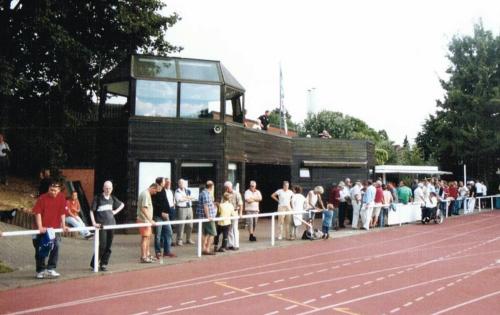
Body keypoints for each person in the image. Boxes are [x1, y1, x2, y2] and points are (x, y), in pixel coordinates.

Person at [32, 182, 69, 279]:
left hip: (54, 229)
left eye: (55, 190)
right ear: (48, 188)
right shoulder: (42, 198)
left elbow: (62, 212)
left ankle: (51, 268)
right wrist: (40, 227)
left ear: (59, 190)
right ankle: (40, 270)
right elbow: (38, 213)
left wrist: (64, 225)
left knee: (56, 246)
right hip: (42, 229)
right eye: (51, 190)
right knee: (40, 249)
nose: (52, 192)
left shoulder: (61, 198)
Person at [90, 181, 124, 271]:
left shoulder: (112, 198)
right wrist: (94, 222)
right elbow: (91, 211)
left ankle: (104, 264)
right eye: (106, 188)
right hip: (102, 225)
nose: (108, 190)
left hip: (112, 225)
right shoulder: (98, 198)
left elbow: (122, 205)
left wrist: (114, 212)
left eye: (110, 188)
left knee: (108, 246)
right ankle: (94, 263)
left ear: (112, 189)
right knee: (102, 245)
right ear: (103, 188)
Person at [152, 177, 175, 259]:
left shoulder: (163, 190)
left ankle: (167, 251)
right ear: (160, 182)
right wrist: (161, 213)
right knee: (158, 235)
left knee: (169, 232)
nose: (165, 182)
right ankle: (158, 252)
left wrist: (167, 212)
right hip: (158, 216)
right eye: (164, 181)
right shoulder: (154, 192)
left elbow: (166, 203)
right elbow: (154, 206)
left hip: (165, 216)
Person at [137, 183, 160, 263]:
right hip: (144, 220)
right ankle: (144, 257)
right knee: (145, 238)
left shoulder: (146, 194)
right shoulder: (146, 195)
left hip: (146, 220)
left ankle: (147, 254)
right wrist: (150, 220)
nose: (155, 193)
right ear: (153, 188)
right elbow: (144, 208)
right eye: (155, 191)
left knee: (148, 237)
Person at [197, 180, 217, 255]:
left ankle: (203, 248)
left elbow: (207, 204)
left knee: (205, 233)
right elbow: (205, 206)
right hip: (207, 217)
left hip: (204, 216)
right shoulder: (205, 194)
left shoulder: (204, 193)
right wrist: (208, 216)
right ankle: (207, 249)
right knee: (213, 233)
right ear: (211, 186)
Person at [174, 179, 195, 246]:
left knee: (190, 224)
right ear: (179, 184)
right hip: (182, 209)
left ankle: (188, 238)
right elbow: (179, 200)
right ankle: (179, 240)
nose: (182, 184)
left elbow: (193, 197)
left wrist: (185, 197)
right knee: (181, 225)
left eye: (183, 183)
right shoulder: (177, 191)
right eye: (181, 183)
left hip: (189, 208)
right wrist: (187, 198)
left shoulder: (188, 190)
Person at [224, 181, 243, 250]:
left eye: (227, 188)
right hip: (227, 214)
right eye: (226, 188)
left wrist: (240, 213)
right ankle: (230, 244)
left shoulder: (236, 193)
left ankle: (236, 245)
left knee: (235, 228)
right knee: (229, 229)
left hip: (234, 212)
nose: (226, 189)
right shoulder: (225, 194)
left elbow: (240, 203)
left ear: (230, 187)